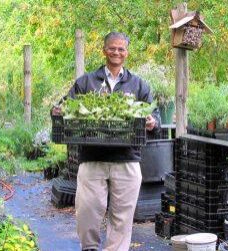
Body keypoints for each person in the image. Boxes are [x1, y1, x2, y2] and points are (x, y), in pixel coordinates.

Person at [54, 32, 160, 251]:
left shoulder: (138, 85)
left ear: (127, 53)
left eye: (121, 49)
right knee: (87, 212)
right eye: (112, 48)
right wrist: (57, 111)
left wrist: (152, 122)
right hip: (93, 157)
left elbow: (154, 116)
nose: (116, 52)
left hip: (127, 159)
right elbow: (65, 108)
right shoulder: (86, 82)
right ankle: (90, 248)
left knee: (122, 218)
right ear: (104, 50)